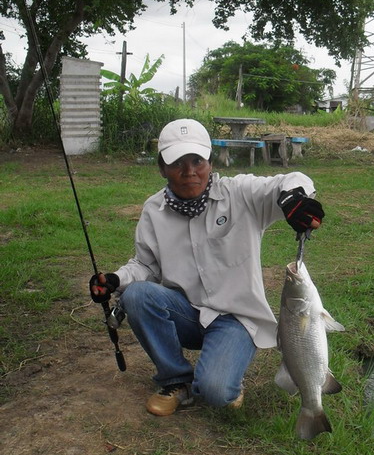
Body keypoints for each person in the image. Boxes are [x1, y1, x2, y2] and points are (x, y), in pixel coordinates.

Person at [89, 119, 324, 416]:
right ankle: (176, 381)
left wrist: (295, 198)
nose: (189, 172)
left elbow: (291, 179)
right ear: (162, 168)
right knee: (135, 295)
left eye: (197, 161)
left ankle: (226, 375)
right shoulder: (154, 210)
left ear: (210, 162)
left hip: (237, 320)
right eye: (178, 163)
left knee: (215, 393)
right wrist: (114, 279)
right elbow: (145, 265)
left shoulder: (240, 194)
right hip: (186, 313)